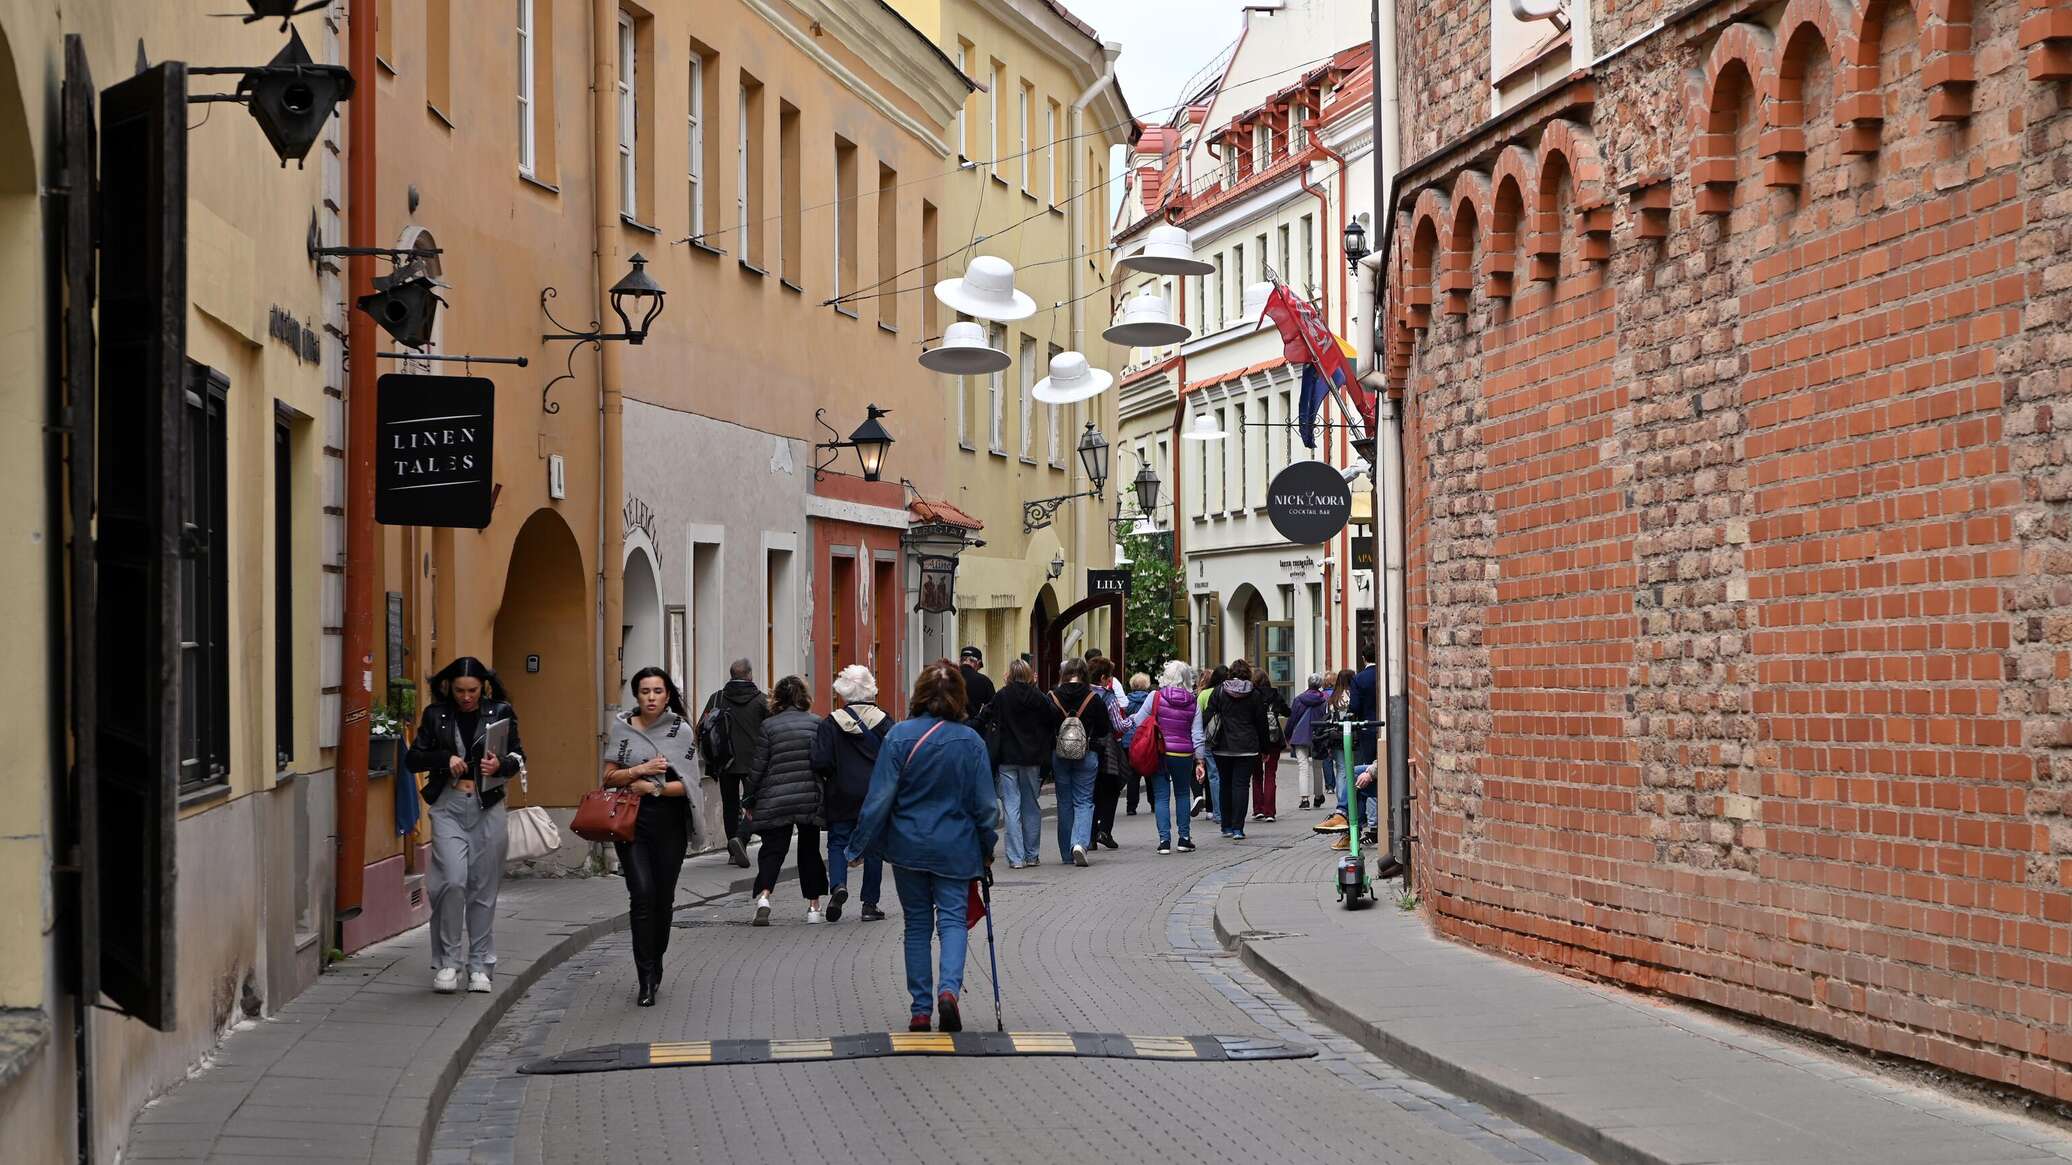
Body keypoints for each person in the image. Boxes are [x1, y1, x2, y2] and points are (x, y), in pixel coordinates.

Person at [845, 661, 997, 1033]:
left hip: (908, 846)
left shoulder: (899, 737)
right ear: (959, 697)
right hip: (956, 847)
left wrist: (857, 846)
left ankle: (919, 1009)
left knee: (916, 925)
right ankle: (949, 992)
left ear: (919, 694)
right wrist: (987, 846)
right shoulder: (970, 741)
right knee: (951, 921)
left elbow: (879, 798)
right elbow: (986, 806)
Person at [406, 657, 526, 994]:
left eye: (472, 690)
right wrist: (443, 759)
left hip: (488, 806)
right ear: (449, 687)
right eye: (459, 690)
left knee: (483, 890)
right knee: (452, 882)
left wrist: (499, 764)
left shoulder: (500, 712)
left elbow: (519, 756)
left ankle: (479, 965)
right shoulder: (436, 715)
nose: (466, 697)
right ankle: (447, 962)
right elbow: (412, 758)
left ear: (483, 686)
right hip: (449, 806)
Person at [601, 668, 699, 1006]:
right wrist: (639, 771)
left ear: (667, 695)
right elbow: (609, 777)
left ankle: (656, 961)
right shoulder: (623, 728)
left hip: (669, 824)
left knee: (663, 899)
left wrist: (654, 788)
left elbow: (688, 786)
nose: (652, 697)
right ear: (637, 695)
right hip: (631, 823)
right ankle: (644, 977)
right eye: (645, 691)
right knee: (641, 894)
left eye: (658, 691)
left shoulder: (680, 730)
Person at [744, 676, 828, 925]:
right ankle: (813, 908)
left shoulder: (769, 726)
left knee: (773, 850)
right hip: (808, 796)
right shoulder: (816, 724)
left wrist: (748, 798)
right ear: (804, 697)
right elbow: (823, 762)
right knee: (810, 850)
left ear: (777, 698)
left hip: (775, 797)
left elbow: (758, 767)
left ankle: (764, 896)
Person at [812, 665, 890, 923]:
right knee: (874, 848)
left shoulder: (830, 723)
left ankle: (838, 886)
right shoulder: (884, 722)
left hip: (841, 792)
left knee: (837, 841)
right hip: (874, 795)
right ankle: (869, 904)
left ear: (843, 692)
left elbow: (820, 762)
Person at [982, 658, 1059, 868]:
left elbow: (985, 715)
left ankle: (1016, 858)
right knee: (1031, 806)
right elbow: (1053, 718)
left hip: (1007, 758)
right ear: (1028, 675)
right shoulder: (1039, 697)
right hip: (1033, 758)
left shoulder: (1002, 696)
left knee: (1011, 807)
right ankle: (1032, 854)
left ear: (1009, 674)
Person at [700, 659, 772, 867]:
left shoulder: (717, 698)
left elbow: (702, 727)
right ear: (749, 675)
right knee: (757, 804)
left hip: (725, 762)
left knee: (730, 805)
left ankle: (733, 850)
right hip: (755, 764)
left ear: (731, 675)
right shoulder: (761, 701)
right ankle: (744, 838)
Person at [1048, 657, 1112, 866]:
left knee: (1064, 802)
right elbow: (1104, 729)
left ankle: (1066, 854)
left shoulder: (1053, 696)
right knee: (1084, 800)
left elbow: (1044, 725)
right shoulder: (1093, 698)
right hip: (1088, 753)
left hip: (1059, 755)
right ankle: (1079, 844)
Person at [1142, 661, 1205, 854]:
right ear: (1187, 679)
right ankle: (1184, 839)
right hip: (1183, 754)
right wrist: (1200, 760)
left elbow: (1139, 720)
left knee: (1161, 796)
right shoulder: (1193, 701)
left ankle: (1164, 841)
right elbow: (1197, 734)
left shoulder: (1155, 697)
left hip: (1160, 752)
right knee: (1183, 794)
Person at [1205, 659, 1271, 840]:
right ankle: (1237, 828)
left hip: (1222, 745)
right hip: (1247, 746)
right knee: (1241, 785)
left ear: (1230, 673)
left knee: (1225, 784)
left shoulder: (1219, 691)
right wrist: (1265, 748)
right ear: (1247, 674)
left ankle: (1225, 825)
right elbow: (1262, 723)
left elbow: (1208, 716)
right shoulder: (1255, 694)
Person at [1086, 657, 1130, 850]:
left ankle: (1090, 836)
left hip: (1084, 746)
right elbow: (1118, 725)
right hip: (1107, 748)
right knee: (1111, 788)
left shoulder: (1083, 692)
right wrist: (1134, 720)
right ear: (1103, 677)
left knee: (1091, 793)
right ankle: (1105, 830)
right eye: (1109, 677)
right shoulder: (1108, 697)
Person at [1314, 669, 1358, 834]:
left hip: (1335, 736)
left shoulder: (1333, 698)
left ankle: (1341, 803)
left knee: (1340, 769)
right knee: (1351, 769)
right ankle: (1349, 802)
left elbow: (1327, 717)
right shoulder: (1352, 695)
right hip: (1352, 736)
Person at [1250, 679, 1291, 823]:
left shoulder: (1252, 695)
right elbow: (1287, 712)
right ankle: (1269, 812)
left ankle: (1258, 809)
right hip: (1273, 738)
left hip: (1255, 739)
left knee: (1256, 775)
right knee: (1270, 775)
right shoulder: (1276, 695)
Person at [1287, 674, 1329, 811]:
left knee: (1303, 767)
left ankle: (1304, 799)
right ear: (1320, 684)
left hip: (1300, 736)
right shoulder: (1324, 700)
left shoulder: (1299, 699)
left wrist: (1287, 735)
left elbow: (1292, 719)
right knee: (1317, 766)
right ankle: (1318, 796)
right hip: (1318, 736)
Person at [1192, 665, 1229, 819]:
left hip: (1208, 739)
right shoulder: (1228, 692)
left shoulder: (1204, 694)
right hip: (1227, 738)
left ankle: (1216, 812)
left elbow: (1198, 719)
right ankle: (1226, 810)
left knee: (1213, 776)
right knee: (1225, 775)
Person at [1121, 673, 1153, 815]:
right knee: (1150, 772)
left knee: (1132, 775)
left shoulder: (1127, 701)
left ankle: (1131, 807)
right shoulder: (1150, 700)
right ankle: (1154, 803)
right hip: (1147, 738)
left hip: (1130, 740)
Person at [959, 646, 996, 720]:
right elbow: (994, 709)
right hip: (975, 728)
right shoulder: (984, 681)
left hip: (949, 727)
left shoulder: (949, 677)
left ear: (960, 661)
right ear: (978, 663)